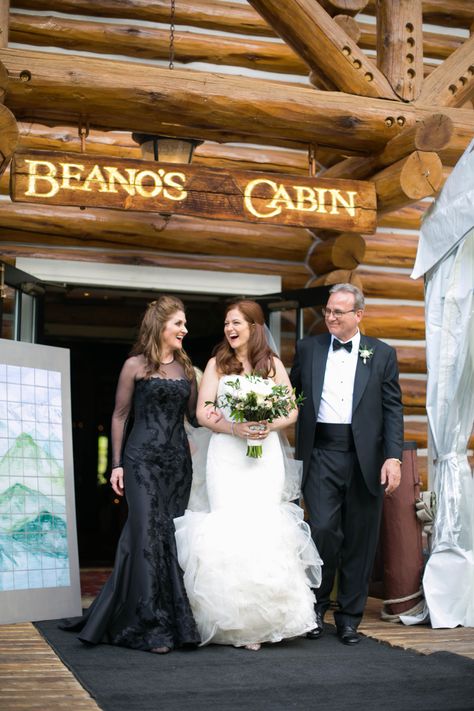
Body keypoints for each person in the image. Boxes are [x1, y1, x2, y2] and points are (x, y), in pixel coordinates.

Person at [174, 300, 322, 651]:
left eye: (237, 322)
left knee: (262, 524)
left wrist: (264, 425)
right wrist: (234, 427)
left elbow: (290, 410)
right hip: (226, 455)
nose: (230, 328)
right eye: (227, 323)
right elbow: (204, 411)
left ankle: (269, 620)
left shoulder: (270, 364)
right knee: (229, 525)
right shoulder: (216, 364)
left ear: (254, 327)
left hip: (263, 458)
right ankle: (232, 622)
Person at [61, 296, 201, 654]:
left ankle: (172, 620)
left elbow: (196, 418)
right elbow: (120, 416)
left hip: (176, 465)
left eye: (185, 324)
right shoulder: (134, 365)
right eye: (179, 324)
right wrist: (117, 465)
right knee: (147, 534)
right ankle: (150, 625)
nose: (185, 330)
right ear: (160, 325)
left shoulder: (186, 368)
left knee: (167, 535)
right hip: (141, 461)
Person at [290, 283, 403, 645]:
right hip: (321, 452)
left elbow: (392, 409)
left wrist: (393, 457)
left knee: (359, 537)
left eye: (339, 311)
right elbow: (289, 396)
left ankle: (350, 618)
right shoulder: (308, 349)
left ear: (359, 315)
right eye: (328, 310)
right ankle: (315, 608)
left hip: (366, 458)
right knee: (322, 529)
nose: (331, 316)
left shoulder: (382, 353)